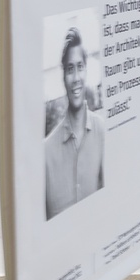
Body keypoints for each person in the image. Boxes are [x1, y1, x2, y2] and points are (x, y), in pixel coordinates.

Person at [45, 27, 104, 218]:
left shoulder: (102, 131)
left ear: (86, 70)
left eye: (80, 67)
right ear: (63, 76)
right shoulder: (46, 152)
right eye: (70, 69)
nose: (76, 78)